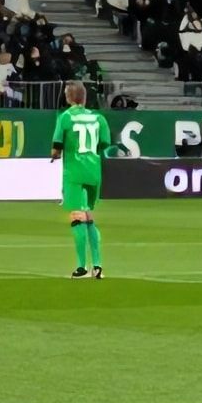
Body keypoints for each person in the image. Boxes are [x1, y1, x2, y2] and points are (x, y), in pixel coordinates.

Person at [51, 80, 112, 279]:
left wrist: (55, 155)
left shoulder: (65, 117)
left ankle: (81, 267)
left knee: (77, 216)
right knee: (88, 215)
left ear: (68, 97)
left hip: (74, 172)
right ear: (84, 97)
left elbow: (56, 146)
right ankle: (98, 266)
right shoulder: (99, 118)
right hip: (94, 171)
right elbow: (104, 143)